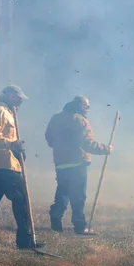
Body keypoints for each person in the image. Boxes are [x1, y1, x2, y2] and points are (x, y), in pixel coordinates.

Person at [0, 85, 43, 249]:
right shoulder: (0, 111)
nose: (21, 100)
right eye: (18, 97)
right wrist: (12, 145)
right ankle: (25, 241)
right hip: (4, 164)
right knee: (21, 200)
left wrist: (17, 151)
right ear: (8, 95)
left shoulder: (9, 112)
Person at [45, 96, 112, 235]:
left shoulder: (55, 118)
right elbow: (87, 143)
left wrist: (59, 148)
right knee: (78, 196)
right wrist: (105, 149)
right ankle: (80, 226)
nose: (88, 109)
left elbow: (49, 138)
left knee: (62, 192)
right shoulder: (80, 120)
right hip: (77, 162)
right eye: (87, 106)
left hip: (61, 162)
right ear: (80, 105)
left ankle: (56, 217)